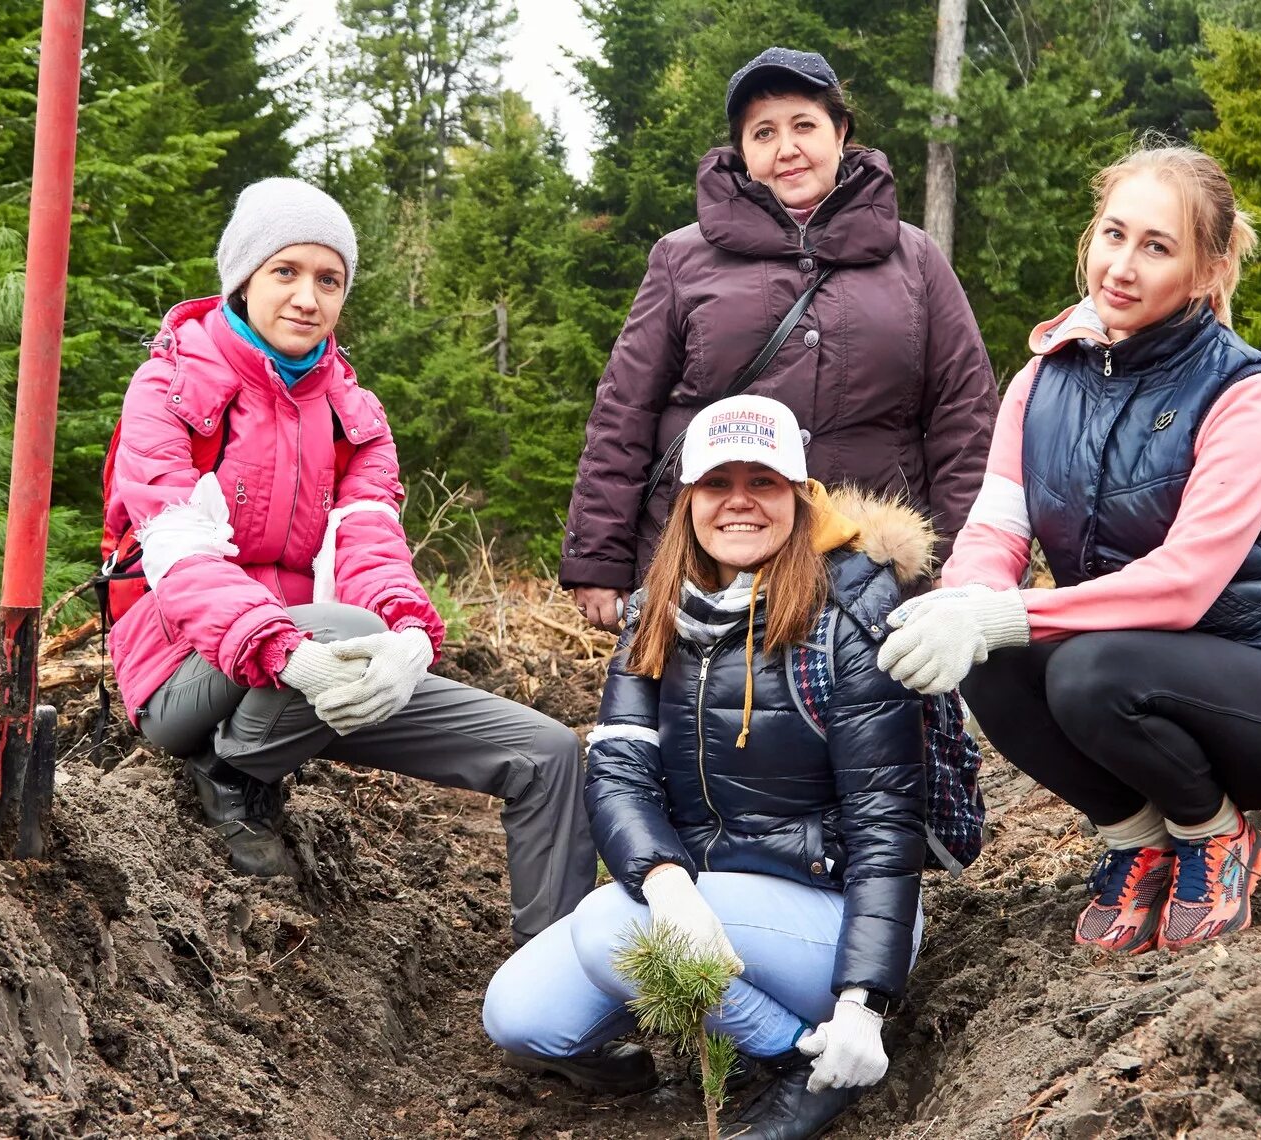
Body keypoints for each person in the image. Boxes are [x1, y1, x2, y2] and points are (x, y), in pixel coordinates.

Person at [879, 142, 1261, 956]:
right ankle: (1139, 836)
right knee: (992, 653)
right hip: (1124, 672)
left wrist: (1002, 614)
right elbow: (996, 528)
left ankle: (1216, 833)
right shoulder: (1041, 381)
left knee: (1086, 669)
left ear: (1205, 271)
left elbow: (1182, 588)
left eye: (1156, 246)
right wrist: (962, 606)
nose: (1122, 267)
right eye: (1112, 234)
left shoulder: (1241, 391)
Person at [103, 178, 594, 945]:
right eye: (285, 272)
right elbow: (179, 557)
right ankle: (231, 771)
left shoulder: (353, 415)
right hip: (186, 672)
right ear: (243, 278)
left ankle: (561, 994)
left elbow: (372, 549)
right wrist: (286, 649)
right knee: (340, 622)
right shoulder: (170, 387)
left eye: (328, 280)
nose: (307, 297)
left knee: (548, 753)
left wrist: (409, 640)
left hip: (311, 670)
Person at [486, 396, 930, 1140]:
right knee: (519, 1018)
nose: (739, 503)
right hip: (704, 902)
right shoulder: (656, 611)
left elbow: (887, 821)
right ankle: (743, 1024)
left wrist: (863, 1000)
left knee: (606, 925)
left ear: (798, 491)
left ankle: (806, 1061)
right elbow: (621, 772)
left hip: (826, 915)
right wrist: (667, 886)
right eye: (718, 483)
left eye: (763, 482)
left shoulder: (851, 614)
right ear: (688, 498)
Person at [561, 46, 998, 633]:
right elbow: (624, 411)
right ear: (742, 151)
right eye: (763, 132)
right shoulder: (681, 258)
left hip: (868, 568)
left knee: (871, 721)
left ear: (840, 132)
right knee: (706, 721)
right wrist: (600, 556)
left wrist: (966, 566)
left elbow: (964, 417)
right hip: (709, 558)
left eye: (804, 125)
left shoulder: (915, 258)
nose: (786, 148)